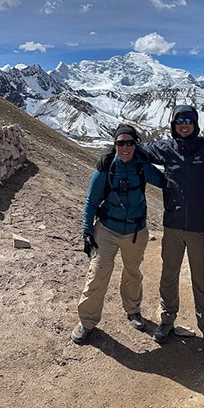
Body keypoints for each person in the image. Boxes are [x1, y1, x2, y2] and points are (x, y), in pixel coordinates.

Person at [139, 105, 204, 347]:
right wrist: (115, 148)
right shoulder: (166, 147)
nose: (183, 124)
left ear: (195, 123)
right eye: (178, 120)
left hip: (199, 228)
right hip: (173, 225)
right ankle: (167, 320)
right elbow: (138, 151)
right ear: (173, 124)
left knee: (202, 280)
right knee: (168, 276)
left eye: (188, 120)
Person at [73, 125, 165, 344]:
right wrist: (87, 231)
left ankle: (133, 310)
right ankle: (87, 322)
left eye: (130, 143)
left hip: (135, 231)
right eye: (120, 143)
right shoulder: (106, 166)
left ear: (135, 144)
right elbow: (91, 201)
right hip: (106, 230)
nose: (125, 147)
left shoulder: (141, 165)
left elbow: (163, 182)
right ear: (114, 145)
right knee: (97, 274)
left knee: (133, 272)